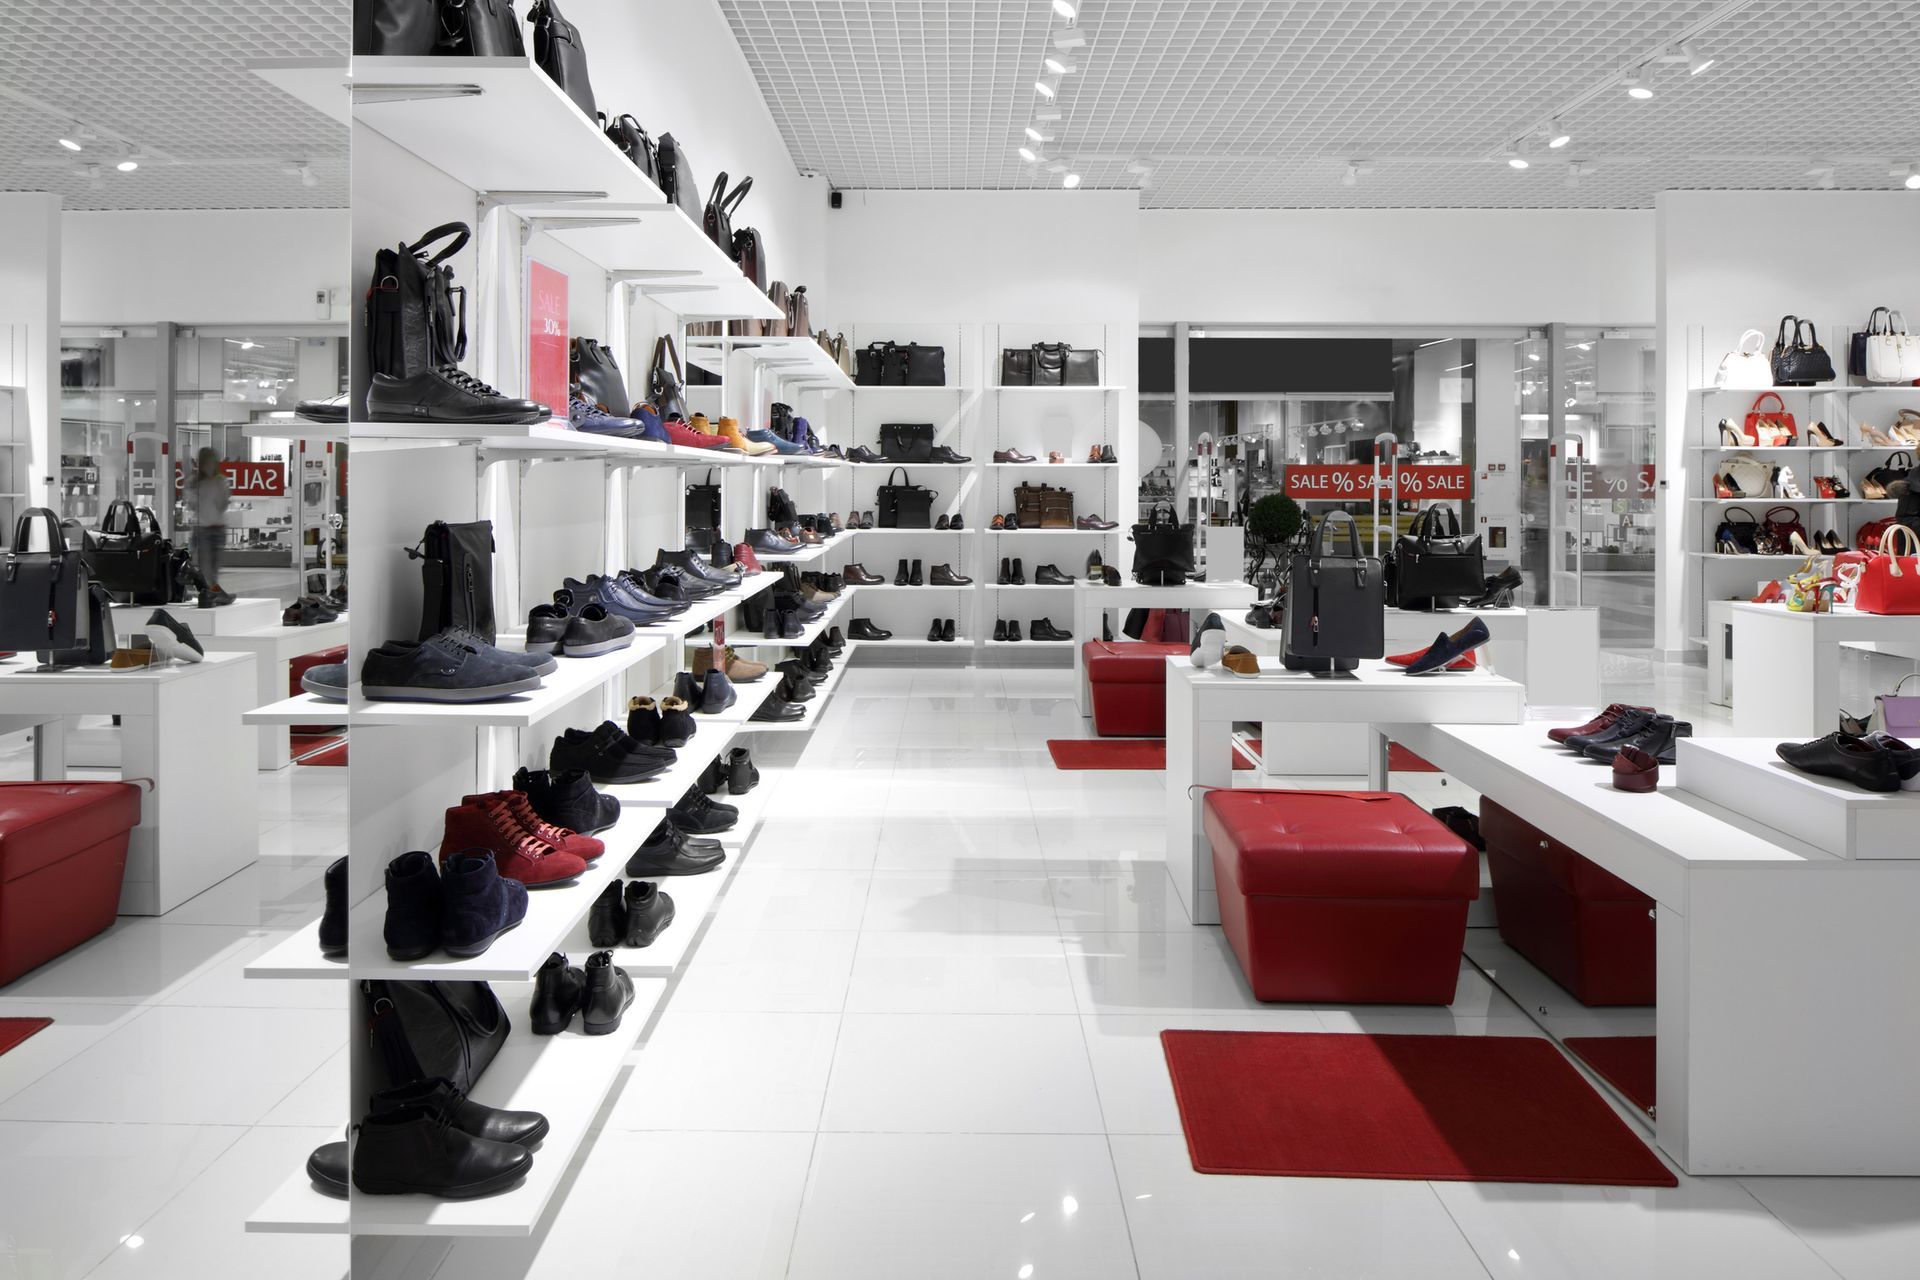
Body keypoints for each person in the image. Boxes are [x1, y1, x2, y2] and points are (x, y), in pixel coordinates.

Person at [188, 447, 235, 607]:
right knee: (207, 569)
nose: (210, 465)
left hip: (218, 529)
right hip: (203, 529)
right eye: (207, 461)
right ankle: (216, 594)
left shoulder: (220, 480)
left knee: (213, 569)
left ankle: (213, 594)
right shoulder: (194, 483)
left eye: (212, 461)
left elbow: (223, 505)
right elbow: (193, 505)